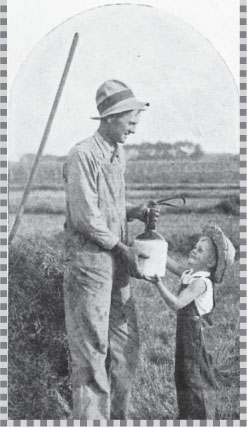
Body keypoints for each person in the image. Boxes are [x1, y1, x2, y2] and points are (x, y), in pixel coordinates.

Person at [63, 80, 160, 420]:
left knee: (124, 346)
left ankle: (119, 417)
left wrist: (133, 212)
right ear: (110, 117)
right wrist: (122, 247)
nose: (135, 128)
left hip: (116, 263)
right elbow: (86, 218)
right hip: (89, 265)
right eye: (131, 121)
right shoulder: (82, 156)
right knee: (92, 352)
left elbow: (110, 207)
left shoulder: (118, 154)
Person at [146, 224, 235, 419]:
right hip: (186, 335)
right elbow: (170, 264)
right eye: (195, 246)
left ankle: (201, 416)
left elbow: (177, 303)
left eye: (200, 250)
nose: (194, 250)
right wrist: (155, 247)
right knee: (184, 374)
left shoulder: (200, 282)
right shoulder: (191, 273)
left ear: (211, 262)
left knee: (195, 376)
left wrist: (158, 284)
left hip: (195, 336)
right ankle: (187, 414)